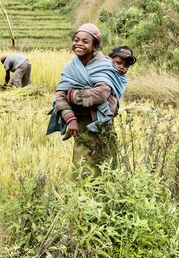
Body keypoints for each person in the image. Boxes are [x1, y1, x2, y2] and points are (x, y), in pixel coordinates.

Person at [47, 23, 126, 177]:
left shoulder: (104, 66)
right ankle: (82, 200)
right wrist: (70, 120)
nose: (79, 43)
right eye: (76, 40)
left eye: (85, 41)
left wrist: (72, 95)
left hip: (101, 124)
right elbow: (59, 96)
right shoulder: (70, 68)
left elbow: (101, 93)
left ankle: (105, 199)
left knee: (106, 166)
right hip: (81, 124)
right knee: (82, 168)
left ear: (94, 46)